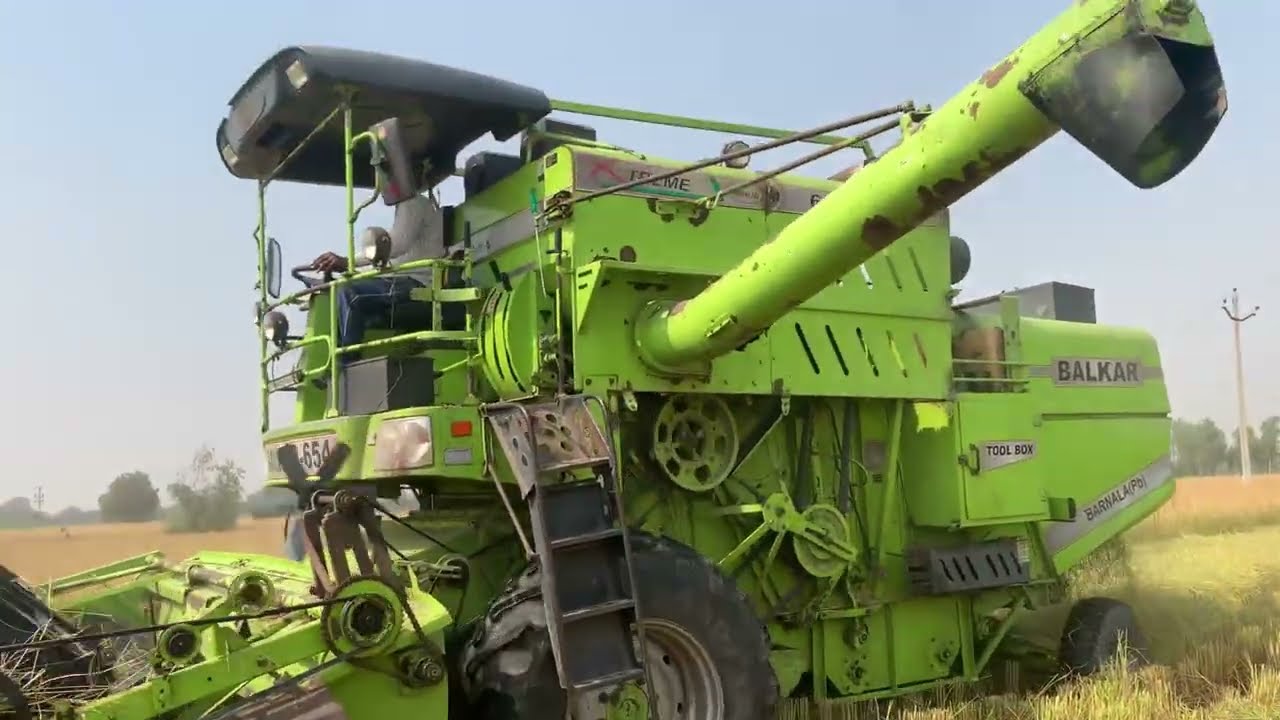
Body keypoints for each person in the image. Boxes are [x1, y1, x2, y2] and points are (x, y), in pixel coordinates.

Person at [308, 191, 446, 364]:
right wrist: (347, 273)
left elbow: (393, 246)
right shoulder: (409, 207)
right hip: (403, 279)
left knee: (351, 293)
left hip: (417, 283)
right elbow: (391, 258)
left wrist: (346, 262)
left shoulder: (413, 203)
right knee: (342, 289)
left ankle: (346, 365)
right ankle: (335, 362)